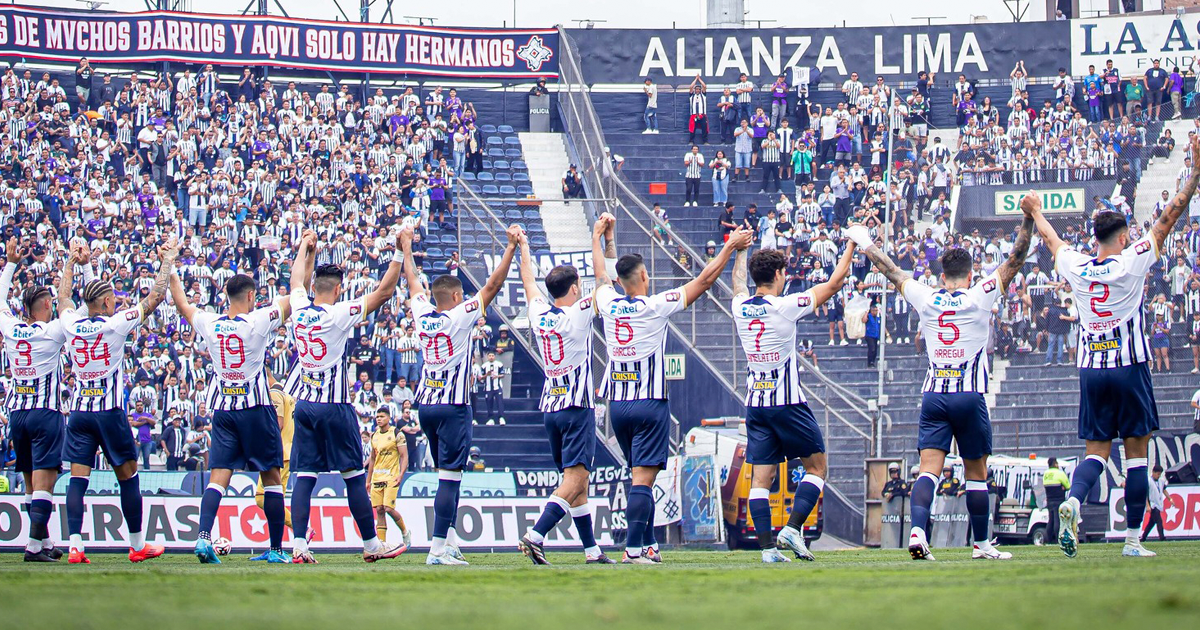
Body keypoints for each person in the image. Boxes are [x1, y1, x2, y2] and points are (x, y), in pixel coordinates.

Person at [1026, 138, 1200, 560]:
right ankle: (1133, 542)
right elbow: (1168, 219)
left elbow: (1051, 241)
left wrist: (1034, 210)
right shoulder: (1132, 260)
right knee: (1137, 455)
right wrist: (1194, 175)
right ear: (1122, 237)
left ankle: (1072, 501)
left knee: (1096, 453)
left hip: (1091, 368)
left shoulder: (1077, 265)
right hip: (1130, 366)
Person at [847, 193, 1035, 561]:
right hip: (968, 395)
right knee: (976, 473)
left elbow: (891, 270)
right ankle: (981, 545)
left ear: (940, 274)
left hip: (934, 395)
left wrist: (865, 241)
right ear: (970, 273)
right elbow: (1016, 258)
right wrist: (1028, 219)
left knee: (929, 471)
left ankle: (918, 532)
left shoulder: (927, 296)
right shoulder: (980, 294)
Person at [597, 213, 752, 564]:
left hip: (617, 407)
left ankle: (648, 544)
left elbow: (600, 274)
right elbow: (704, 280)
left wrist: (603, 238)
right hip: (649, 403)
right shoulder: (655, 306)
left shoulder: (607, 303)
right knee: (643, 480)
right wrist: (729, 246)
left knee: (639, 477)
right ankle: (633, 550)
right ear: (645, 277)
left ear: (620, 282)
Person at [166, 236, 300, 565]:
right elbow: (294, 299)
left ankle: (202, 538)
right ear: (252, 296)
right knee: (270, 477)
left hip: (224, 409)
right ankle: (275, 549)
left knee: (218, 478)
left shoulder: (210, 323)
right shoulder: (256, 320)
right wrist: (300, 260)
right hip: (256, 409)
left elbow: (183, 304)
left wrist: (170, 266)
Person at [284, 228, 407, 564]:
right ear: (338, 290)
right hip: (335, 407)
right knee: (353, 475)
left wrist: (304, 249)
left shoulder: (298, 309)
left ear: (314, 289)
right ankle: (371, 544)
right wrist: (398, 253)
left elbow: (296, 282)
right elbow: (383, 293)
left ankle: (298, 546)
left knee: (305, 477)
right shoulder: (338, 313)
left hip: (305, 405)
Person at [731, 235, 857, 563]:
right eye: (783, 273)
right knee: (817, 468)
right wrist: (852, 246)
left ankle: (768, 551)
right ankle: (792, 527)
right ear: (776, 276)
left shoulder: (740, 308)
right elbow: (834, 283)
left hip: (755, 404)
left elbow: (737, 284)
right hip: (787, 402)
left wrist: (740, 253)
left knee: (761, 479)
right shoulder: (785, 306)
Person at [401, 223, 520, 565]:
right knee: (451, 479)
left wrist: (406, 246)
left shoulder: (423, 314)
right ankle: (437, 550)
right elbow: (493, 286)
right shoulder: (461, 315)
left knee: (444, 477)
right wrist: (509, 248)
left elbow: (411, 281)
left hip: (426, 406)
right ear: (455, 297)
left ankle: (449, 541)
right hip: (453, 407)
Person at [60, 235, 180, 565]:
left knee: (78, 478)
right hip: (110, 413)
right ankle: (137, 544)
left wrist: (74, 262)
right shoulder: (115, 323)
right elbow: (155, 296)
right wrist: (167, 259)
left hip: (80, 413)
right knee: (128, 476)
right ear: (108, 303)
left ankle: (74, 545)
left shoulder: (71, 323)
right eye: (112, 298)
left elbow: (62, 299)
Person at [516, 222, 616, 565]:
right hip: (576, 407)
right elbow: (605, 283)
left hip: (551, 408)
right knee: (576, 478)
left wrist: (523, 246)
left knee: (577, 482)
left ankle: (592, 551)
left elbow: (528, 281)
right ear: (574, 288)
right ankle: (536, 534)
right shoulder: (579, 311)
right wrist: (596, 238)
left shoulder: (540, 313)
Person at [0, 238, 73, 562]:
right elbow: (73, 307)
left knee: (31, 482)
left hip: (18, 413)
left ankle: (44, 543)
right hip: (45, 412)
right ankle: (32, 548)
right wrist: (73, 266)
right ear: (46, 306)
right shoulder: (55, 330)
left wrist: (11, 263)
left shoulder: (13, 328)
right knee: (45, 481)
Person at [366, 408, 411, 548]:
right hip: (377, 477)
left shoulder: (397, 434)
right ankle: (382, 545)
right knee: (379, 509)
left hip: (391, 476)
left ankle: (405, 531)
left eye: (382, 416)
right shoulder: (374, 436)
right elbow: (372, 459)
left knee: (388, 508)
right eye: (377, 417)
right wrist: (368, 480)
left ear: (388, 418)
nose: (379, 419)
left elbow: (404, 456)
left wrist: (401, 475)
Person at [1043, 458, 1070, 545]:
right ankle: (1057, 540)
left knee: (1051, 520)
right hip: (1059, 500)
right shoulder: (1060, 473)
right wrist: (1063, 487)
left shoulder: (1046, 474)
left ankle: (1048, 540)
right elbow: (1068, 486)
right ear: (1055, 464)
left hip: (1049, 500)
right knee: (1057, 520)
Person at [1142, 465, 1167, 542]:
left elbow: (1164, 490)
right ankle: (1162, 537)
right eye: (1157, 474)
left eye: (1160, 474)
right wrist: (1147, 505)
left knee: (1151, 523)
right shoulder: (1148, 481)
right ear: (1153, 472)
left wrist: (1170, 499)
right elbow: (1145, 494)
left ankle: (1143, 537)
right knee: (1159, 521)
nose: (1158, 476)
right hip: (1152, 504)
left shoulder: (1161, 481)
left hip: (1158, 504)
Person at [480, 351, 505, 425]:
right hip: (488, 387)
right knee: (489, 402)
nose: (491, 357)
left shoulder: (499, 364)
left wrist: (497, 376)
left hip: (497, 387)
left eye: (492, 355)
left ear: (495, 356)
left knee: (499, 402)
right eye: (490, 355)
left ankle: (501, 418)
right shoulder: (484, 366)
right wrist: (486, 375)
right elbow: (481, 378)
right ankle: (490, 418)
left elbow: (503, 375)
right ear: (487, 356)